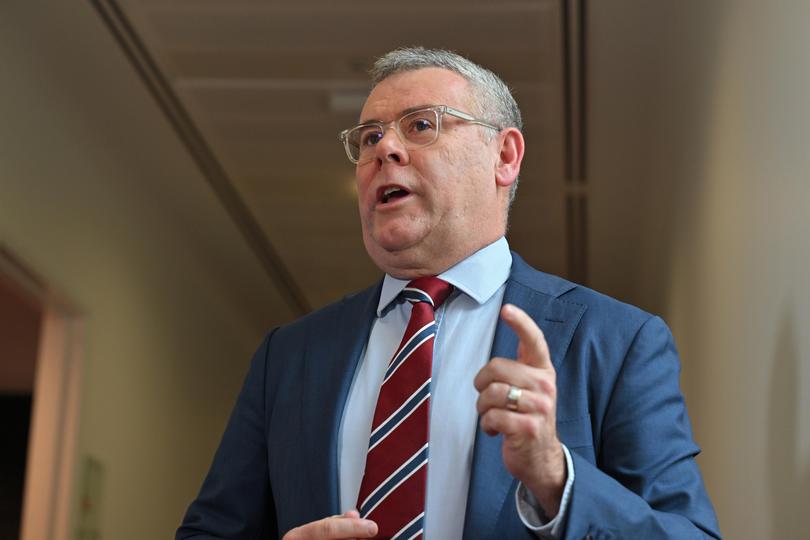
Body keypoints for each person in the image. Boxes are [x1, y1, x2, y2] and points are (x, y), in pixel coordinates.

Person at [176, 47, 721, 539]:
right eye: (369, 138)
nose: (385, 148)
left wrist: (557, 478)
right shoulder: (289, 357)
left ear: (504, 157)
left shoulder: (617, 340)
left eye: (420, 125)